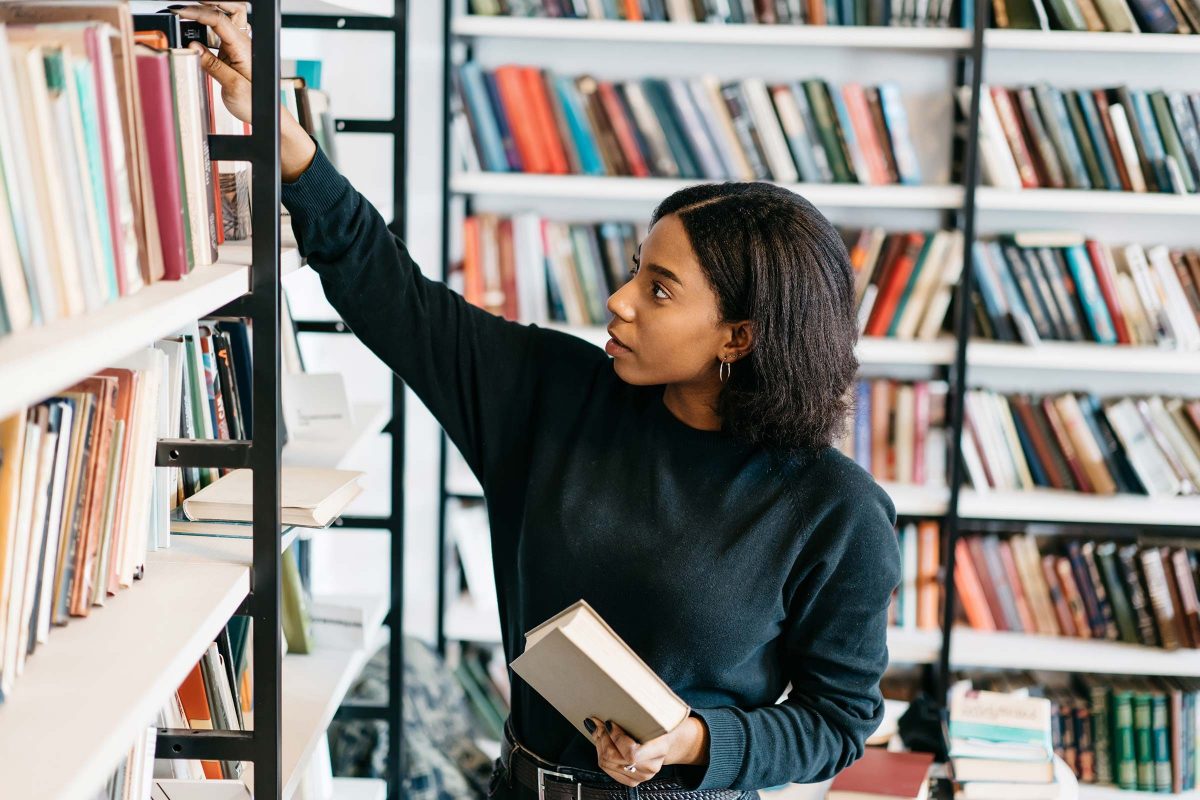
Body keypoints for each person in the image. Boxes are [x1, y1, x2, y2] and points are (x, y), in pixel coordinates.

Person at [177, 4, 902, 798]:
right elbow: (396, 297)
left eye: (658, 291)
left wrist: (693, 740)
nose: (618, 301)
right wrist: (289, 149)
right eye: (633, 269)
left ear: (738, 337)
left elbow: (835, 723)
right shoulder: (553, 394)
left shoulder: (836, 509)